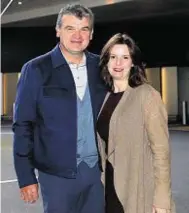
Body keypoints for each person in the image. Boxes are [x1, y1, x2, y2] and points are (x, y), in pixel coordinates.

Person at [13, 4, 107, 213]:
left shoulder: (101, 68)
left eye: (84, 29)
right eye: (70, 28)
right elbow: (23, 126)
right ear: (58, 30)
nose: (77, 35)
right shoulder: (36, 69)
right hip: (56, 177)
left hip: (97, 174)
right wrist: (25, 176)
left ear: (91, 34)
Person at [96, 33, 176, 213]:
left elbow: (161, 151)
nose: (118, 63)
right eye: (113, 57)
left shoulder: (147, 96)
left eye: (125, 57)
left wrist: (162, 200)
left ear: (133, 62)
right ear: (106, 61)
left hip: (138, 187)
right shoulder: (106, 97)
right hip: (110, 186)